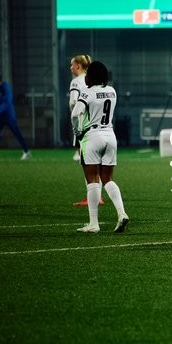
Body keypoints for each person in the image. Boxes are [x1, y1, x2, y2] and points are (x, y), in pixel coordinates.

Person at [70, 60, 129, 233]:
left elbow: (75, 113)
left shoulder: (87, 93)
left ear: (91, 77)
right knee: (108, 179)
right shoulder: (112, 91)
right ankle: (121, 213)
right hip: (110, 136)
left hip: (92, 136)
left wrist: (77, 131)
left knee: (92, 180)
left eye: (88, 75)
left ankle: (93, 224)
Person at [69, 54, 104, 207]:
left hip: (84, 124)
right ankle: (99, 196)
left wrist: (75, 117)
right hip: (101, 125)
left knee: (87, 161)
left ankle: (93, 197)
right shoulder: (96, 80)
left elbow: (73, 102)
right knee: (98, 162)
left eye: (72, 65)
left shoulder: (76, 82)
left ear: (78, 66)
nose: (70, 68)